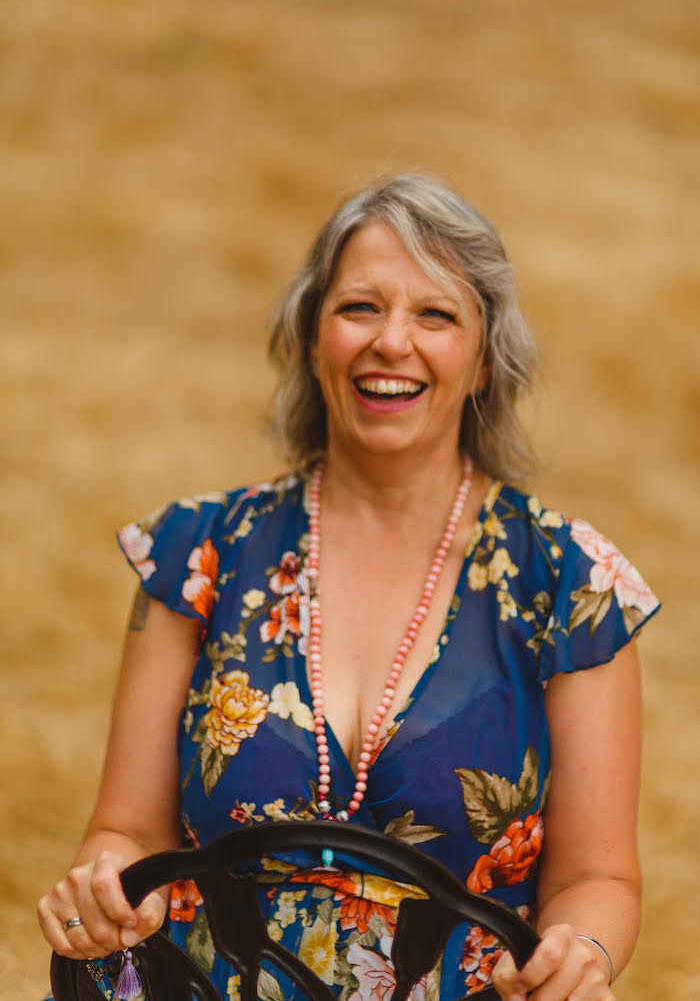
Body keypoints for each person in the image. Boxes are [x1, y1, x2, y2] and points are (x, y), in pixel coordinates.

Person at [38, 172, 660, 1001]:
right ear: (311, 337)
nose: (390, 343)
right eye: (359, 307)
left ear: (481, 362)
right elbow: (124, 830)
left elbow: (599, 878)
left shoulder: (568, 584)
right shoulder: (196, 555)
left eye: (434, 315)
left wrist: (577, 950)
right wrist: (104, 882)